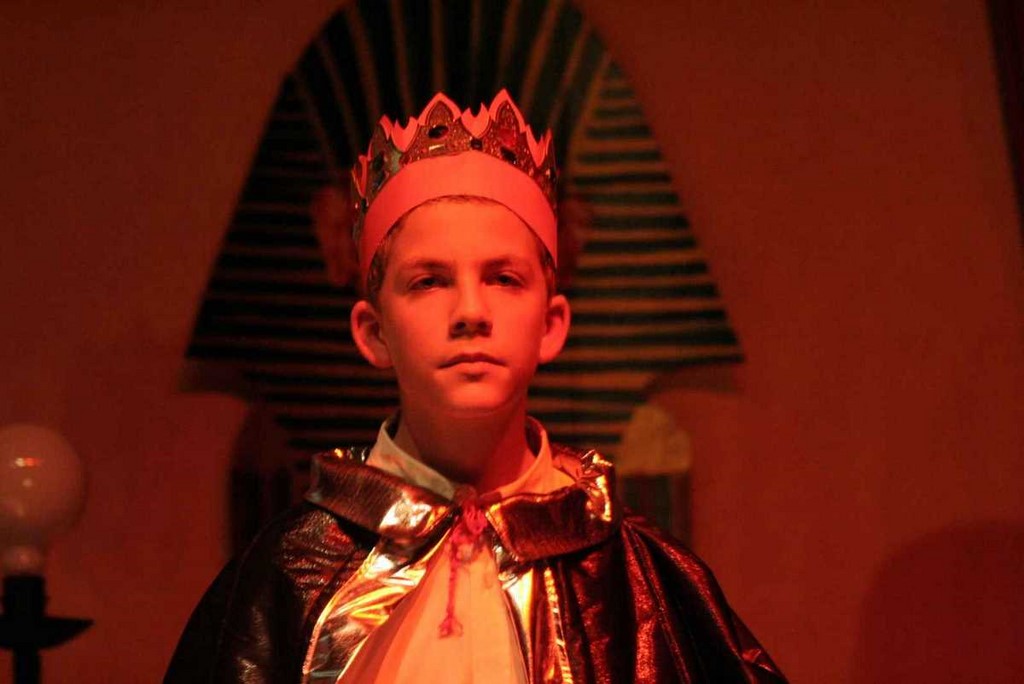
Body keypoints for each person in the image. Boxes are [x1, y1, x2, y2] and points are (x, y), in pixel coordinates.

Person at [166, 90, 786, 683]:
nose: (470, 312)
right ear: (373, 332)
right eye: (429, 281)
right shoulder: (286, 577)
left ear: (551, 324)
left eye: (504, 279)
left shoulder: (641, 584)